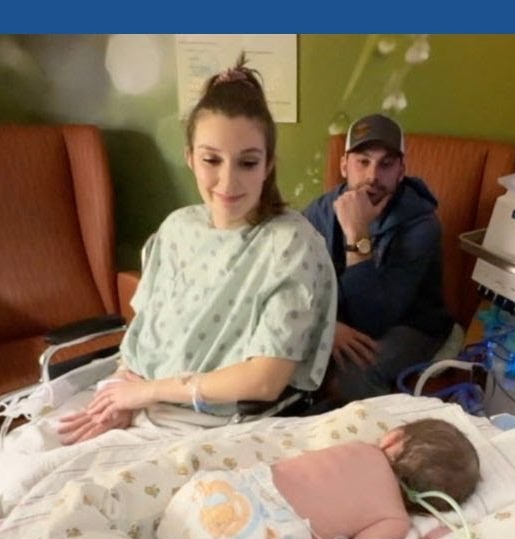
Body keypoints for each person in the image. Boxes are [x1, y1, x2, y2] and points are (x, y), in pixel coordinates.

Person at [58, 58, 337, 445]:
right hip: (137, 401)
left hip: (217, 427)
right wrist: (120, 390)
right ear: (190, 157)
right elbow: (146, 333)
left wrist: (148, 393)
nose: (228, 181)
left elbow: (265, 380)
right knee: (23, 459)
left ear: (268, 165)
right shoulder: (177, 228)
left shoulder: (291, 245)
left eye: (248, 162)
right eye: (211, 160)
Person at [155, 418, 481, 539]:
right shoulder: (394, 517)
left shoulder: (359, 449)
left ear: (393, 438)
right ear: (430, 505)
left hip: (205, 494)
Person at [302, 114, 454, 406]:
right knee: (285, 345)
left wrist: (357, 234)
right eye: (363, 161)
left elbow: (373, 320)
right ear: (344, 165)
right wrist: (326, 325)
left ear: (401, 171)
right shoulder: (321, 210)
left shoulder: (422, 226)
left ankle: (384, 430)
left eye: (386, 164)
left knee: (353, 373)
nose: (373, 176)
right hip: (339, 316)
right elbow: (294, 277)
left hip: (409, 323)